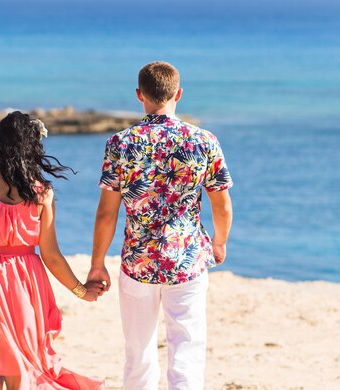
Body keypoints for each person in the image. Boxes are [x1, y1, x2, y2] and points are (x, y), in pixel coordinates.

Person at [0, 111, 106, 390]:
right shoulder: (42, 193)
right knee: (20, 368)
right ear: (33, 146)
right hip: (26, 284)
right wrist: (80, 291)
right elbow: (51, 255)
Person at [87, 61, 233, 390]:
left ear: (140, 95)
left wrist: (97, 264)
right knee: (187, 351)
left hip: (138, 263)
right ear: (178, 94)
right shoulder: (204, 141)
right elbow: (221, 204)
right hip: (188, 261)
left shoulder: (120, 144)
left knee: (138, 353)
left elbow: (106, 214)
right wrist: (220, 242)